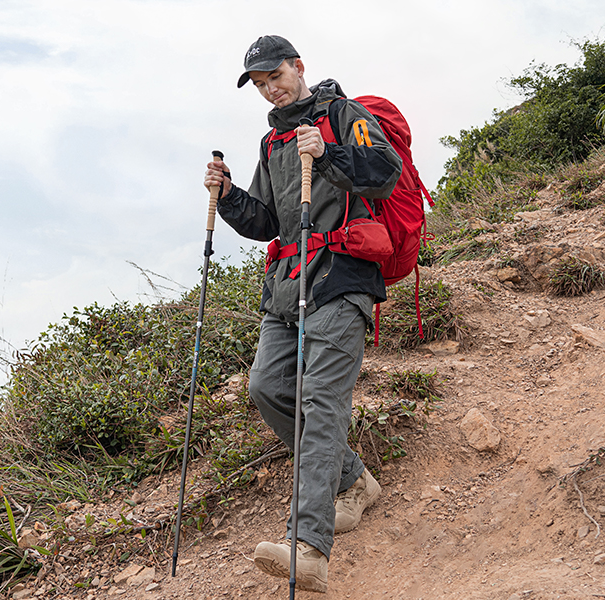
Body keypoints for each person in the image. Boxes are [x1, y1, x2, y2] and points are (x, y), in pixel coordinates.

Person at [203, 34, 401, 593]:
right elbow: (267, 222)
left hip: (342, 281)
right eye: (261, 84)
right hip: (288, 287)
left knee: (320, 401)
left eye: (276, 76)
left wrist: (329, 153)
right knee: (267, 387)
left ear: (299, 67)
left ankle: (308, 546)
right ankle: (353, 478)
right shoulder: (273, 143)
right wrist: (230, 194)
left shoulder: (343, 114)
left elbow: (382, 172)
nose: (270, 89)